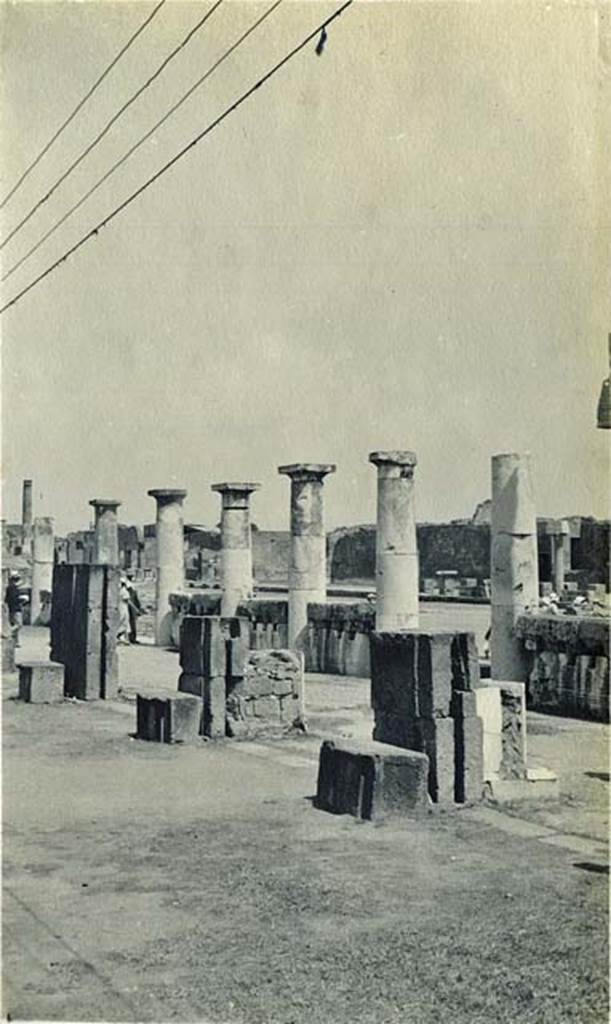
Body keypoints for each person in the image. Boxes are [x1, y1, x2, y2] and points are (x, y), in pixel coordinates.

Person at [4, 571, 24, 646]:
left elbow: (7, 599)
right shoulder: (13, 588)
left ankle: (15, 642)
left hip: (11, 608)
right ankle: (8, 633)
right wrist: (21, 599)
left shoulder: (9, 588)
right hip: (16, 609)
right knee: (19, 625)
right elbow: (14, 599)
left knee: (14, 624)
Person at [125, 574, 143, 644]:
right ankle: (131, 637)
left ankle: (132, 637)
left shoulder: (132, 586)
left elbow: (135, 598)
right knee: (130, 623)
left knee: (132, 623)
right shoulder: (129, 587)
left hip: (132, 606)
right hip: (130, 607)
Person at [118, 576, 131, 645]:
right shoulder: (124, 591)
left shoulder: (120, 591)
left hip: (121, 607)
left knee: (123, 621)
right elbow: (127, 599)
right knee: (124, 621)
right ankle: (120, 637)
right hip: (123, 607)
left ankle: (122, 638)